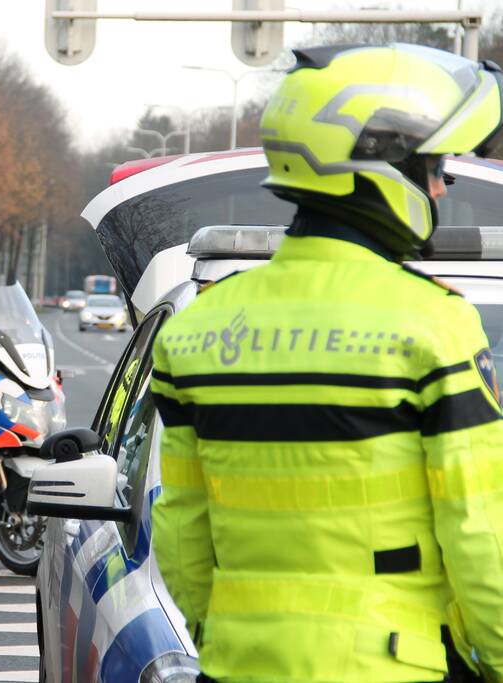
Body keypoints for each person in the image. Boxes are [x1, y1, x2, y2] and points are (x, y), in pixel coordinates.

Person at [150, 44, 503, 683]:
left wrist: (228, 640)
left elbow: (181, 527)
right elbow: (479, 533)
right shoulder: (433, 325)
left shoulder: (197, 331)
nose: (443, 184)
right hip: (390, 668)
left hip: (237, 667)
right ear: (383, 169)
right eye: (435, 166)